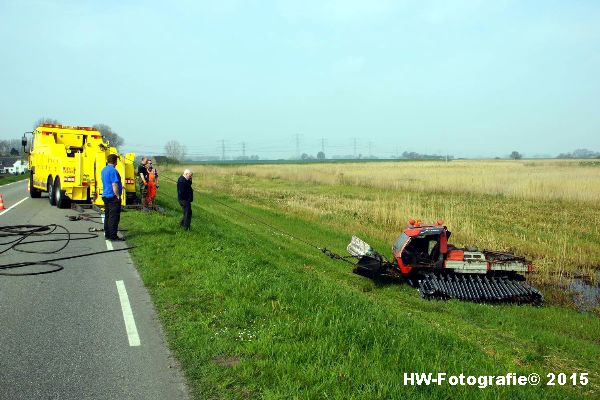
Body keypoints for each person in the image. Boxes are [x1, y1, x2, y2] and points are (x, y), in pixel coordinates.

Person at [101, 154, 124, 241]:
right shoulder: (113, 171)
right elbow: (114, 184)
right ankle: (113, 236)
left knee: (107, 216)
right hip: (112, 196)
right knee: (114, 217)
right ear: (115, 161)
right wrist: (117, 195)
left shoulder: (104, 170)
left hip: (106, 195)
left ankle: (107, 235)